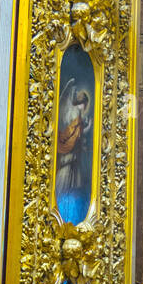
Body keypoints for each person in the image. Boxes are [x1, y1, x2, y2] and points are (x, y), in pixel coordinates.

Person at [55, 83, 93, 223]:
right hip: (69, 159)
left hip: (71, 160)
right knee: (66, 187)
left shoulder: (76, 115)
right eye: (85, 104)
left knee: (69, 188)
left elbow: (75, 134)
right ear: (82, 103)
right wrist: (86, 127)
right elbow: (73, 135)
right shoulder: (76, 114)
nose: (85, 108)